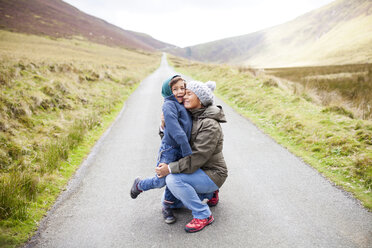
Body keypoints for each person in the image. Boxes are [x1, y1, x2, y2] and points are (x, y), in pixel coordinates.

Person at [156, 80, 228, 233]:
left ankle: (203, 214)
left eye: (189, 94)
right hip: (198, 170)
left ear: (200, 100)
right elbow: (175, 142)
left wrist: (169, 168)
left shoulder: (210, 125)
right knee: (171, 202)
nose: (184, 96)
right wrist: (163, 126)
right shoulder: (190, 114)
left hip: (212, 173)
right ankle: (209, 193)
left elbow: (196, 158)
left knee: (173, 180)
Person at [130, 75, 192, 224]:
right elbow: (177, 131)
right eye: (175, 89)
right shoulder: (168, 105)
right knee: (161, 180)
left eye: (182, 88)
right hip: (170, 149)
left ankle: (167, 205)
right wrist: (187, 152)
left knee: (174, 177)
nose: (179, 92)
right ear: (167, 91)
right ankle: (139, 185)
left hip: (181, 148)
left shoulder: (184, 104)